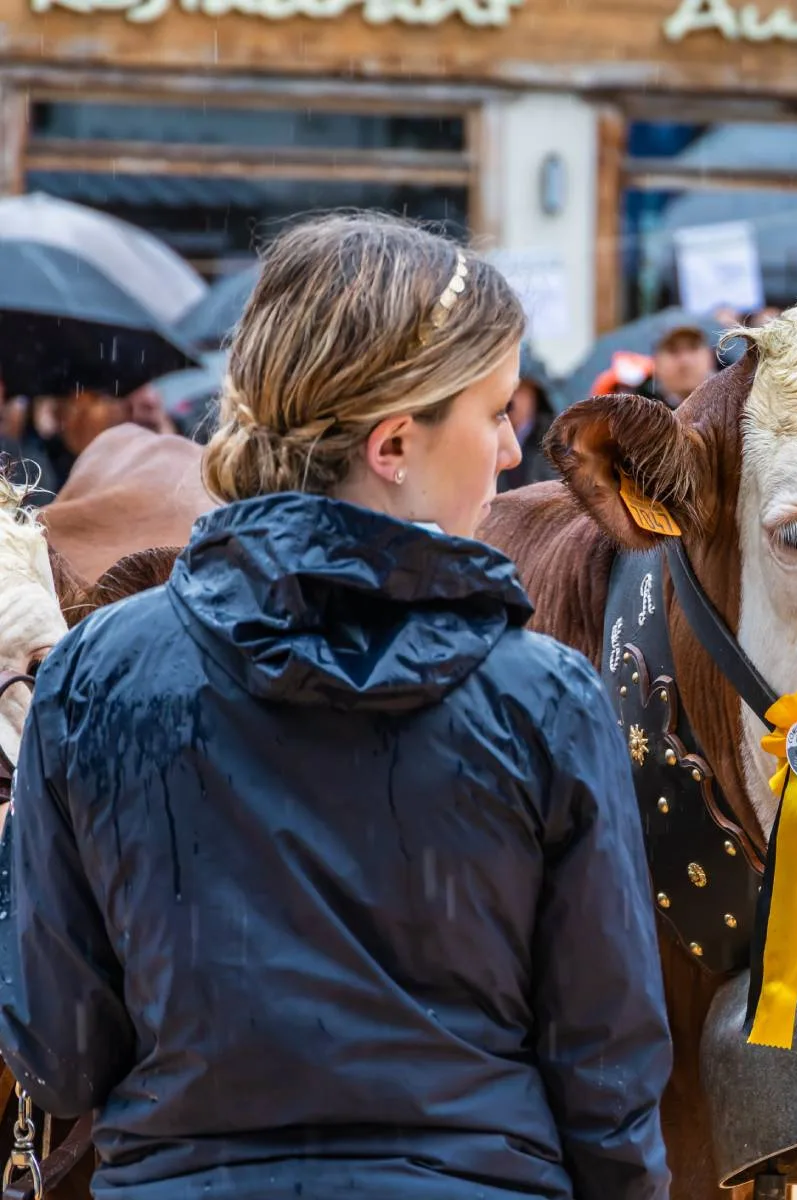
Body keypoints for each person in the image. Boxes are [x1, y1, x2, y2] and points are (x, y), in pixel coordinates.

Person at [0, 213, 672, 1199]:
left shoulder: (93, 676)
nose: (514, 451)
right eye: (493, 414)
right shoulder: (547, 700)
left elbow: (57, 1052)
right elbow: (607, 1079)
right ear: (394, 442)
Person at [499, 346, 561, 491]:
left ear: (535, 393)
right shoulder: (492, 436)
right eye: (507, 389)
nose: (511, 399)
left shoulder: (556, 441)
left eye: (519, 390)